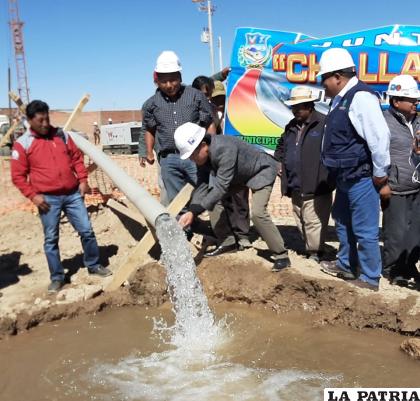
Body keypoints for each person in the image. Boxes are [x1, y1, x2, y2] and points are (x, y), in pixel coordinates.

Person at [11, 100, 111, 293]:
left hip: (72, 194)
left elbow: (76, 158)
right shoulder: (22, 144)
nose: (45, 124)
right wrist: (33, 196)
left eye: (47, 118)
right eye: (40, 120)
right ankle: (57, 277)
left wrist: (82, 180)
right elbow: (18, 176)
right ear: (30, 120)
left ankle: (93, 265)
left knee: (87, 231)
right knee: (51, 239)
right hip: (47, 199)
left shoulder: (62, 136)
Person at [317, 48, 390, 291]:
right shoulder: (340, 98)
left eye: (323, 78)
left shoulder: (361, 97)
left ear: (337, 76)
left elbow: (379, 138)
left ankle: (370, 278)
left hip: (361, 177)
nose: (322, 84)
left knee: (365, 230)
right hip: (344, 177)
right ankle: (346, 265)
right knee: (342, 222)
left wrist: (380, 173)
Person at [174, 122, 291, 271]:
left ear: (203, 145)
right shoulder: (203, 157)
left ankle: (281, 256)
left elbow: (221, 187)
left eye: (192, 155)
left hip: (261, 171)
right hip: (239, 176)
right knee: (213, 202)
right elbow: (202, 184)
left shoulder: (224, 149)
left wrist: (196, 211)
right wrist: (192, 209)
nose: (191, 160)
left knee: (258, 213)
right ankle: (228, 242)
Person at [141, 51, 216, 204]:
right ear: (157, 82)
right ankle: (184, 227)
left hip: (195, 156)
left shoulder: (196, 96)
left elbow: (209, 123)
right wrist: (148, 152)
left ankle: (209, 224)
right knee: (176, 201)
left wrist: (210, 146)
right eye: (164, 81)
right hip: (169, 159)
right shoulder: (151, 104)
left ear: (180, 77)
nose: (169, 85)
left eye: (173, 80)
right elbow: (150, 129)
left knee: (204, 192)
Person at [191, 76, 252, 253]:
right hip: (217, 162)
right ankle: (226, 235)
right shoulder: (203, 113)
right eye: (211, 96)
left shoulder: (236, 112)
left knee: (239, 198)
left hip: (237, 159)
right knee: (222, 198)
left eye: (218, 97)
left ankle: (242, 235)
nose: (214, 100)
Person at [274, 86, 334, 262]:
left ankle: (315, 253)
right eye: (293, 107)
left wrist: (326, 173)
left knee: (314, 221)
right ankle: (311, 249)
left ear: (309, 106)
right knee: (300, 217)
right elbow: (281, 147)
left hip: (316, 184)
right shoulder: (291, 126)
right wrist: (279, 162)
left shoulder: (324, 124)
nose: (295, 110)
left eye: (298, 107)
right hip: (294, 183)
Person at [381, 75, 420, 287]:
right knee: (396, 234)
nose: (415, 103)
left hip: (417, 187)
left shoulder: (418, 120)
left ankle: (409, 264)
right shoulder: (383, 123)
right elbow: (376, 156)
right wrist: (383, 184)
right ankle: (394, 269)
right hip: (395, 188)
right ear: (396, 101)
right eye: (411, 99)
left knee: (416, 233)